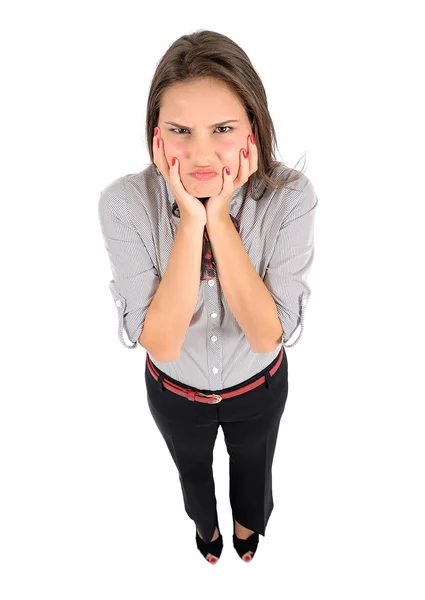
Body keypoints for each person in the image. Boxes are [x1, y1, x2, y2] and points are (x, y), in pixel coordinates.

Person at [98, 29, 318, 565]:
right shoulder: (125, 203)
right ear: (157, 136)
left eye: (222, 129)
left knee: (254, 467)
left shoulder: (289, 197)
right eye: (180, 130)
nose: (200, 153)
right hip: (175, 393)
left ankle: (248, 528)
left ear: (254, 129)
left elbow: (269, 332)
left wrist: (218, 217)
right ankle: (207, 530)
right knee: (192, 470)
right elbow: (163, 341)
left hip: (258, 386)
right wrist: (190, 222)